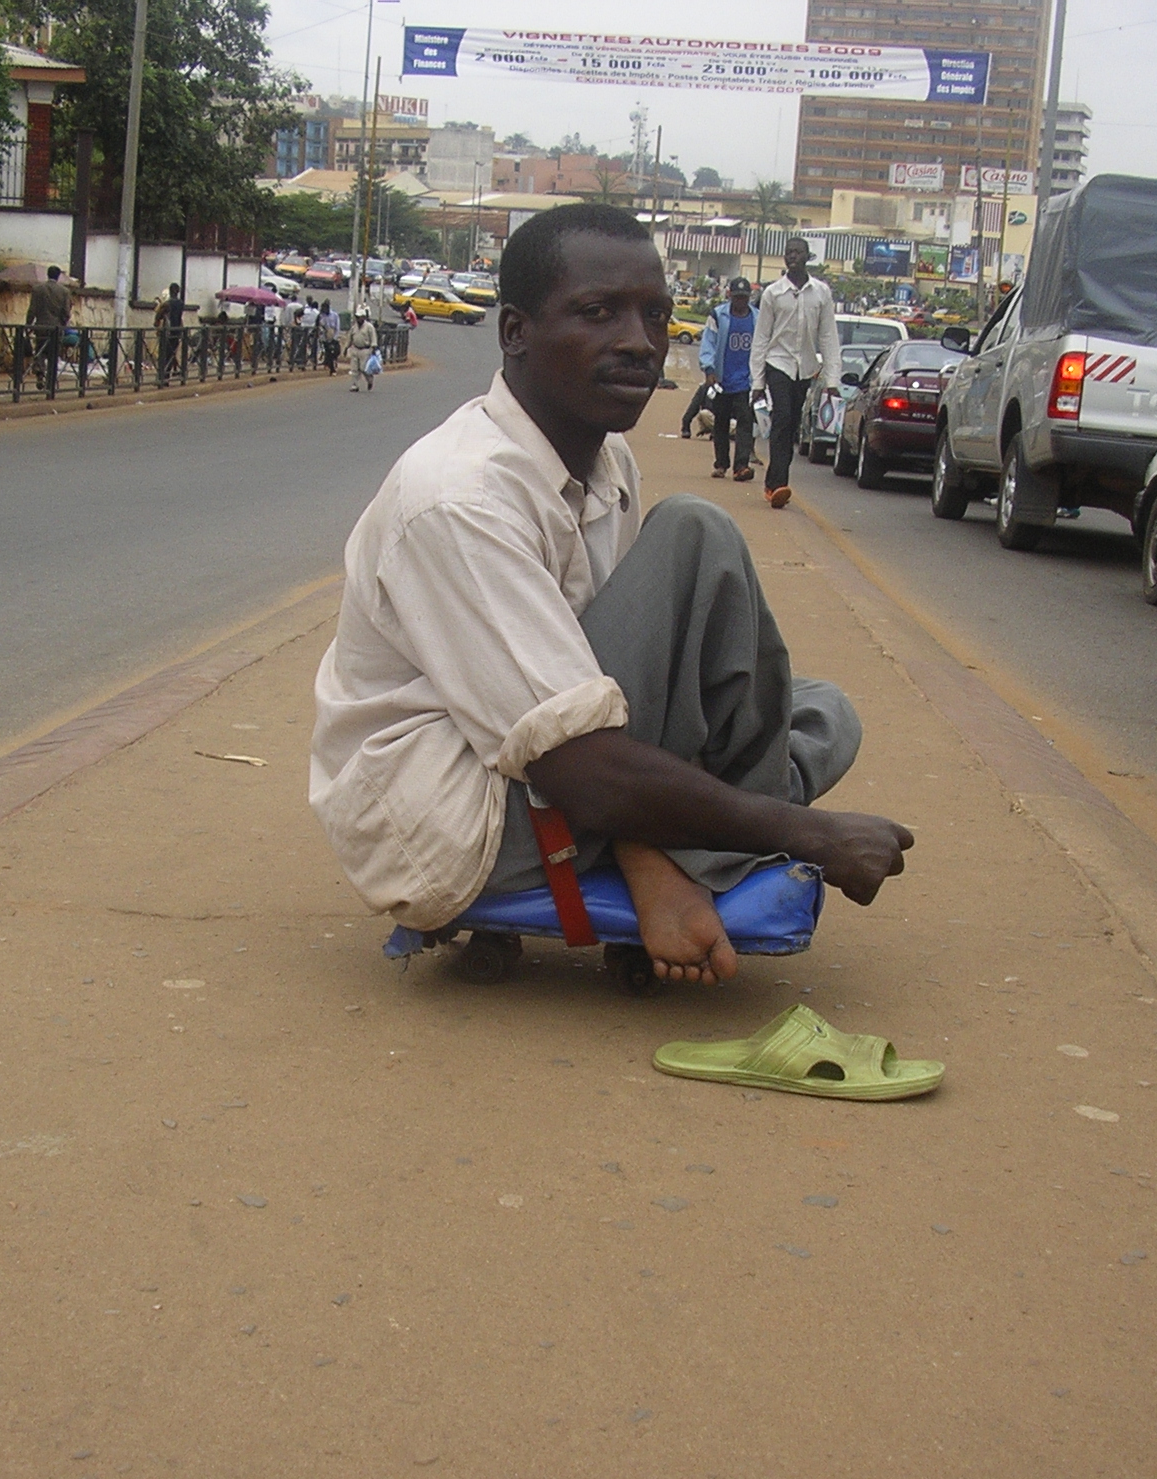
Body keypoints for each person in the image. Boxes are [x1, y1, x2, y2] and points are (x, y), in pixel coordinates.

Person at [309, 202, 910, 985]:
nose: (640, 342)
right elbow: (576, 762)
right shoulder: (459, 498)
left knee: (823, 709)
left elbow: (630, 685)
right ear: (516, 331)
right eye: (598, 314)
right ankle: (679, 859)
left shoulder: (608, 461)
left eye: (655, 315)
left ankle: (660, 846)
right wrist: (809, 834)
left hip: (549, 768)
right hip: (456, 826)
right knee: (697, 533)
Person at [751, 237, 839, 508]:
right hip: (778, 364)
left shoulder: (821, 293)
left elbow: (828, 337)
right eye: (789, 253)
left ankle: (774, 481)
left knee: (791, 427)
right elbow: (761, 338)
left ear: (807, 256)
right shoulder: (773, 294)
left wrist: (832, 380)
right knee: (782, 417)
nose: (793, 257)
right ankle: (778, 484)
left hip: (806, 369)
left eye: (798, 252)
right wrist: (757, 381)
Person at [699, 276, 759, 482]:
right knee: (721, 423)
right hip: (723, 380)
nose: (740, 301)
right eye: (737, 297)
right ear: (730, 296)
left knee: (745, 422)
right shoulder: (718, 315)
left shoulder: (757, 318)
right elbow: (709, 342)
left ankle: (741, 466)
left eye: (744, 297)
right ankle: (721, 463)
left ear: (749, 297)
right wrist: (709, 369)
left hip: (746, 381)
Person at [26, 265, 72, 386]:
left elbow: (32, 310)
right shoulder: (64, 291)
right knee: (54, 353)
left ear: (48, 274)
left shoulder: (37, 289)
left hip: (41, 327)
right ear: (58, 276)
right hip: (56, 328)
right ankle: (51, 380)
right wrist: (62, 324)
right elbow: (66, 312)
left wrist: (28, 325)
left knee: (40, 351)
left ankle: (40, 374)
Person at [347, 311, 378, 392]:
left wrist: (373, 348)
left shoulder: (369, 327)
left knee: (363, 368)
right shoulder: (354, 327)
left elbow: (373, 338)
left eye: (359, 317)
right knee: (354, 368)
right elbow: (350, 338)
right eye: (357, 317)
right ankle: (355, 385)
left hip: (365, 349)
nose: (358, 319)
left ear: (363, 317)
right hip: (355, 348)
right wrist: (346, 347)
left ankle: (369, 379)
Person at [160, 283, 186, 380]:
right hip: (177, 331)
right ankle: (171, 373)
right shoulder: (181, 304)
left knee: (165, 354)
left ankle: (164, 377)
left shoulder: (167, 304)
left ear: (170, 291)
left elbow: (159, 315)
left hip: (167, 332)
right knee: (172, 354)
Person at [320, 303, 341, 375]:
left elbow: (337, 327)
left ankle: (334, 363)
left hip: (333, 335)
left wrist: (335, 337)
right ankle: (332, 369)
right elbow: (321, 326)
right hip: (325, 337)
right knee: (328, 353)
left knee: (336, 352)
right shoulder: (322, 316)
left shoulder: (334, 315)